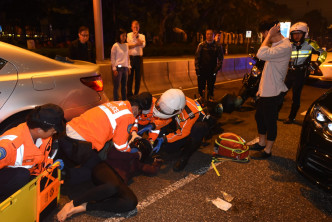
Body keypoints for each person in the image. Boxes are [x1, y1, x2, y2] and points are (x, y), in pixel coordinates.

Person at [0, 104, 65, 201]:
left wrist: (51, 165)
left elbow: (37, 160)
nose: (55, 132)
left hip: (25, 176)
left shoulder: (44, 137)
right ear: (39, 130)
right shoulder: (9, 145)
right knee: (21, 175)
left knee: (27, 178)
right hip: (10, 178)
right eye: (53, 130)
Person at [249, 21, 292, 159]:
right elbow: (268, 70)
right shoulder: (277, 45)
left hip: (273, 92)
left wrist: (268, 37)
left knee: (270, 121)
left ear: (268, 31)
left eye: (263, 34)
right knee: (259, 117)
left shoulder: (285, 46)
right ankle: (262, 142)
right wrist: (260, 89)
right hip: (266, 90)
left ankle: (268, 150)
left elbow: (260, 54)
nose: (263, 37)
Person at [152, 89, 215, 171]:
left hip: (192, 129)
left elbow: (182, 132)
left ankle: (184, 157)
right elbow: (167, 117)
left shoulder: (189, 115)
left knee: (199, 128)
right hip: (181, 123)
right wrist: (153, 126)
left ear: (179, 110)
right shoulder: (174, 99)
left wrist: (164, 138)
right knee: (167, 147)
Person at [282, 22, 327, 124]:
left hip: (301, 73)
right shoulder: (289, 44)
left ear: (305, 34)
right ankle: (274, 113)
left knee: (296, 96)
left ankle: (291, 117)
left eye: (299, 33)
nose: (296, 36)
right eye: (294, 34)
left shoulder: (310, 44)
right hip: (290, 72)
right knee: (281, 93)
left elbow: (323, 53)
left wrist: (315, 64)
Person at [195, 29, 224, 101]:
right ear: (206, 35)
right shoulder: (201, 45)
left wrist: (217, 69)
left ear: (213, 35)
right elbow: (197, 58)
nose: (209, 35)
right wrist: (197, 68)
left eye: (211, 34)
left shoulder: (218, 46)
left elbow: (220, 59)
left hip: (212, 70)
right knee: (201, 85)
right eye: (208, 34)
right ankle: (201, 97)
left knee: (211, 85)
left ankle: (210, 97)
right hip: (202, 70)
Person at [127, 20, 146, 97]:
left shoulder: (142, 36)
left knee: (138, 77)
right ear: (131, 27)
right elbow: (128, 45)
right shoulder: (128, 35)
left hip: (139, 58)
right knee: (130, 77)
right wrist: (137, 43)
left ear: (139, 28)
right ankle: (129, 94)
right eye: (134, 27)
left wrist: (137, 37)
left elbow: (143, 45)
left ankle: (136, 94)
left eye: (137, 27)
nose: (135, 29)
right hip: (131, 58)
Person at [111, 29, 131, 101]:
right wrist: (114, 69)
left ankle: (124, 100)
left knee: (124, 86)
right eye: (123, 36)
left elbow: (127, 57)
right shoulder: (115, 46)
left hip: (125, 68)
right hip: (118, 68)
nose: (124, 37)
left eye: (125, 36)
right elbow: (112, 58)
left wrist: (129, 67)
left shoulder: (126, 45)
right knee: (116, 86)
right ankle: (116, 101)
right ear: (119, 36)